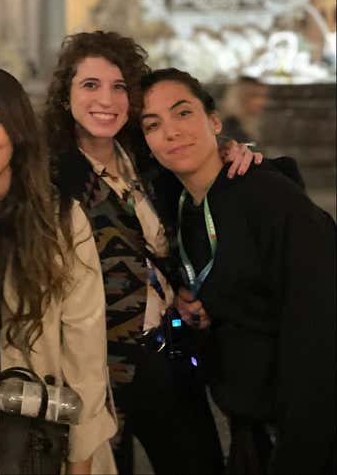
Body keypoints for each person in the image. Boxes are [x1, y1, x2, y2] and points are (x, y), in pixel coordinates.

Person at [42, 30, 260, 474]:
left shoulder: (146, 160)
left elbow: (172, 235)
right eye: (90, 85)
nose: (106, 99)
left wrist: (232, 152)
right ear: (66, 97)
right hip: (100, 370)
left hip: (168, 350)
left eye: (119, 86)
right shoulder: (52, 175)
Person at [140, 68, 336, 475]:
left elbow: (317, 330)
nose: (171, 132)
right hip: (246, 426)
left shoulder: (270, 198)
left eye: (183, 113)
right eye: (152, 125)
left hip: (300, 429)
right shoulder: (180, 208)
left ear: (215, 122)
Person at [0, 64, 117, 474]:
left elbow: (86, 354)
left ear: (17, 125)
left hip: (39, 437)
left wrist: (80, 460)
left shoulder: (59, 219)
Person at [219, 75, 268, 145]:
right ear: (238, 97)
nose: (262, 102)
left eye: (263, 96)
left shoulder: (249, 124)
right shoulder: (228, 128)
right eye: (254, 95)